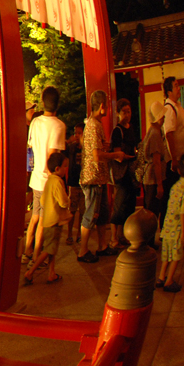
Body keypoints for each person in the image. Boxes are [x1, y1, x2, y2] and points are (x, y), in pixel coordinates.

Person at [79, 90, 127, 263]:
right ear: (101, 107)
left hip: (100, 177)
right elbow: (96, 156)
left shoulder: (96, 124)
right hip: (93, 178)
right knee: (91, 215)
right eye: (106, 104)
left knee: (103, 214)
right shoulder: (92, 126)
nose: (107, 108)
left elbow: (97, 149)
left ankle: (102, 246)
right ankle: (83, 250)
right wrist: (115, 155)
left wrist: (106, 146)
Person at [25, 87, 65, 264]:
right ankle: (35, 257)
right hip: (47, 181)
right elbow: (53, 155)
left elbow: (30, 150)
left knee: (35, 216)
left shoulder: (35, 123)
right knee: (43, 220)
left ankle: (27, 250)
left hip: (35, 179)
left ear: (43, 101)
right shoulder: (59, 125)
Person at [24, 152, 69, 285]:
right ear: (57, 169)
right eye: (65, 166)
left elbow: (43, 200)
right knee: (48, 250)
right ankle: (30, 272)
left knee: (52, 248)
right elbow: (63, 202)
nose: (66, 169)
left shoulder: (48, 181)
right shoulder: (58, 182)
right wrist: (67, 202)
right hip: (55, 221)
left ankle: (51, 273)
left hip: (47, 220)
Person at [157, 152, 184, 293]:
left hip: (167, 223)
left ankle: (161, 276)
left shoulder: (175, 186)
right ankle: (169, 280)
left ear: (178, 170)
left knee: (166, 252)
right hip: (178, 226)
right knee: (177, 254)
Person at [108, 98, 138, 249]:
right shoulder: (117, 131)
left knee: (129, 205)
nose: (127, 115)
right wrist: (129, 156)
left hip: (131, 172)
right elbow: (117, 153)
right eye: (124, 112)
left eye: (129, 111)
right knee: (119, 205)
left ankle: (122, 235)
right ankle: (113, 238)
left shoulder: (131, 128)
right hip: (121, 172)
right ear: (118, 113)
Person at [139, 101, 168, 245]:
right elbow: (157, 161)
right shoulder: (156, 133)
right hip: (153, 178)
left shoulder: (151, 130)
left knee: (149, 210)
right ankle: (148, 242)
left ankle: (148, 241)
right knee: (152, 212)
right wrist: (160, 184)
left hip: (148, 177)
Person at [163, 76, 184, 203]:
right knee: (176, 194)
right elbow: (169, 134)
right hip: (177, 160)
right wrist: (174, 158)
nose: (179, 88)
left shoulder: (178, 106)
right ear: (169, 92)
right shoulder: (169, 108)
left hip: (183, 157)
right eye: (176, 86)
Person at [64, 125, 83, 246]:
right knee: (72, 209)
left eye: (79, 133)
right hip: (73, 182)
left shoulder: (86, 148)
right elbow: (62, 147)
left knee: (82, 210)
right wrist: (69, 141)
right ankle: (69, 234)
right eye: (75, 133)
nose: (77, 136)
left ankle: (80, 234)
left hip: (84, 182)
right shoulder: (71, 148)